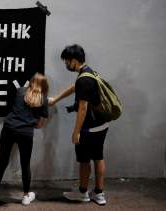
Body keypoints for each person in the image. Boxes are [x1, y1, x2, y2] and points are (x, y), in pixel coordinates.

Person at [49, 44, 109, 205]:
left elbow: (83, 108)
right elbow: (75, 87)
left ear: (74, 60)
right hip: (102, 124)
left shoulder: (84, 79)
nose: (66, 65)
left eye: (67, 62)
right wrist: (56, 99)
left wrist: (76, 132)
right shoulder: (89, 73)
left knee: (84, 160)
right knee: (98, 157)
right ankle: (99, 193)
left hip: (88, 128)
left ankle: (82, 193)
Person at [0, 73, 49, 208]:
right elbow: (40, 124)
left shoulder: (21, 91)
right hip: (26, 132)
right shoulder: (43, 99)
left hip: (8, 129)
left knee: (2, 162)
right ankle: (26, 196)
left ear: (31, 82)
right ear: (44, 86)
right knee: (25, 164)